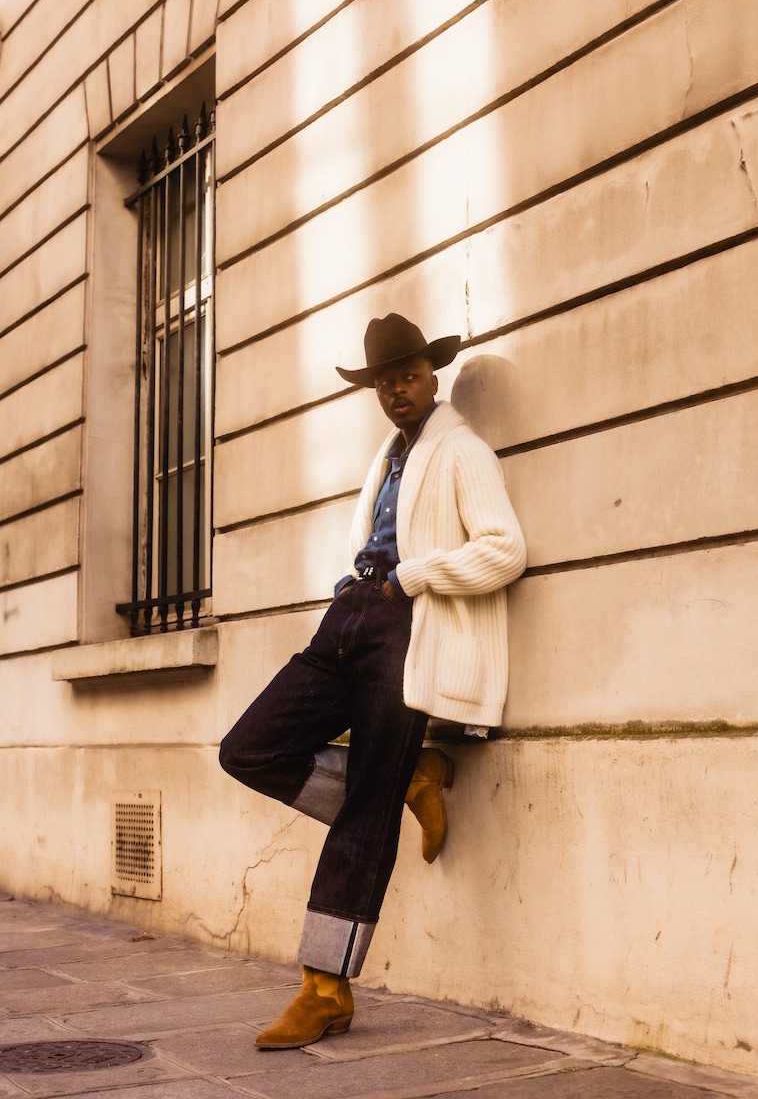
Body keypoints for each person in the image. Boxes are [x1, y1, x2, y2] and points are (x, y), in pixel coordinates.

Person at [219, 313, 526, 1050]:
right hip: (350, 616)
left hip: (404, 624)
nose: (397, 391)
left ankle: (325, 987)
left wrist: (416, 578)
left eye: (409, 376)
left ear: (432, 376)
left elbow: (505, 549)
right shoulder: (390, 456)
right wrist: (351, 591)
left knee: (364, 809)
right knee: (249, 748)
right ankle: (407, 781)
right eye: (385, 382)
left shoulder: (462, 451)